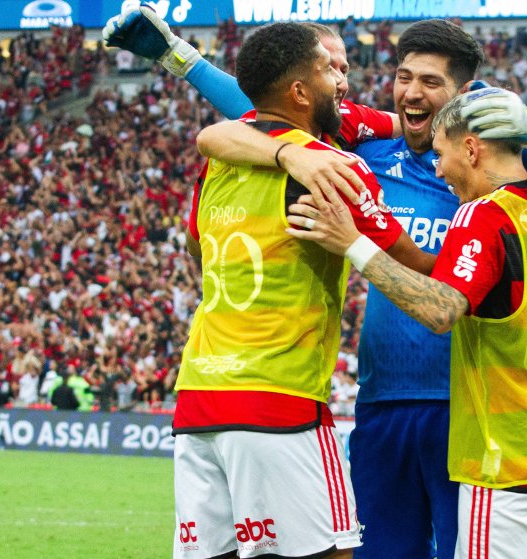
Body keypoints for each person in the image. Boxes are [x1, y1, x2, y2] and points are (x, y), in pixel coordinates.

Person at [105, 10, 527, 559]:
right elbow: (265, 114)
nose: (412, 92)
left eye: (431, 82)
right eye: (405, 77)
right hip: (382, 405)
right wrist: (180, 60)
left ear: (464, 94)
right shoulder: (366, 149)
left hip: (470, 404)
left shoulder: (492, 163)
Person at [287, 88, 527, 559]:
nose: (437, 168)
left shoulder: (483, 214)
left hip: (506, 463)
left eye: (441, 154)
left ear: (472, 149)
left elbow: (440, 310)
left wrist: (353, 244)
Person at [172, 22, 434, 559]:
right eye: (330, 71)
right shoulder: (333, 167)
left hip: (199, 397)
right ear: (299, 91)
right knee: (334, 551)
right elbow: (417, 264)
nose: (342, 83)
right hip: (280, 398)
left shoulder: (219, 161)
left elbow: (196, 249)